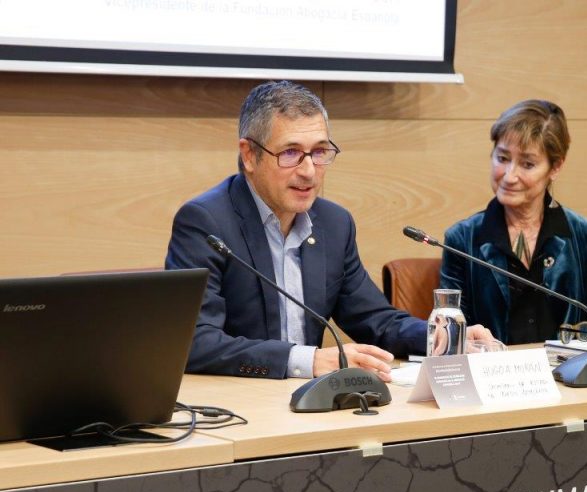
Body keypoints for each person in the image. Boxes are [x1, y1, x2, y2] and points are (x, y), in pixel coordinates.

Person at [166, 80, 487, 379]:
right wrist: (307, 360)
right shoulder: (206, 222)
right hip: (242, 404)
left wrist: (442, 336)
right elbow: (196, 341)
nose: (309, 171)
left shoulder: (334, 223)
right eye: (291, 153)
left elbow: (376, 320)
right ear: (249, 155)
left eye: (319, 152)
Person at [440, 99, 587, 345]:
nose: (509, 176)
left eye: (527, 164)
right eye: (502, 158)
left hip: (567, 375)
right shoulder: (462, 238)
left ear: (555, 167)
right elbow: (451, 330)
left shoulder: (584, 234)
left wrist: (583, 359)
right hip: (495, 375)